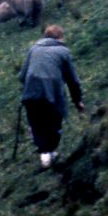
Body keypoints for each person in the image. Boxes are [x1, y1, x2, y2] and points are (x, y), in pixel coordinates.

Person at [18, 24, 85, 168]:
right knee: (53, 123)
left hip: (31, 94)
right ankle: (50, 152)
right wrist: (77, 100)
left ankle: (44, 154)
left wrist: (30, 85)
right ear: (60, 37)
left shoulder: (33, 49)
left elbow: (22, 76)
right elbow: (72, 80)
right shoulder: (63, 51)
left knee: (37, 124)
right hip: (52, 95)